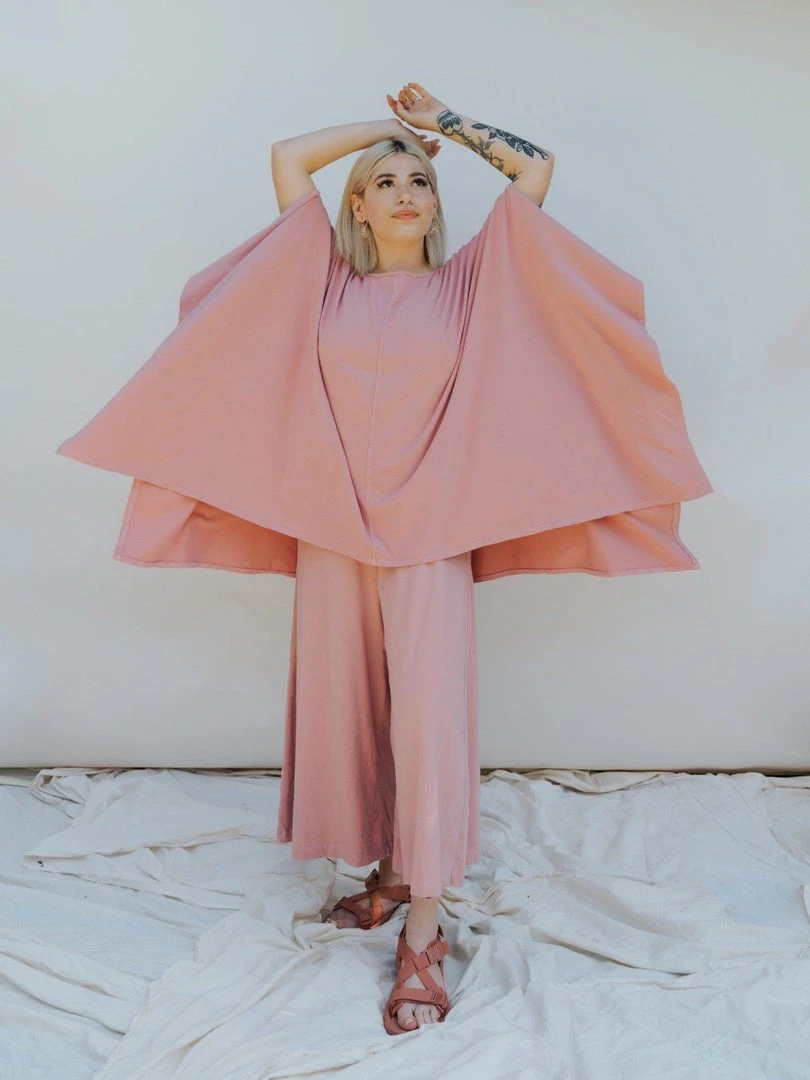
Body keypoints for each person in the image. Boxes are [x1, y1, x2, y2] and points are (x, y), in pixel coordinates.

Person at [54, 83, 713, 1036]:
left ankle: (426, 932)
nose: (408, 192)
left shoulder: (470, 282)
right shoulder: (321, 279)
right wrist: (384, 132)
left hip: (430, 535)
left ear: (436, 206)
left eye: (420, 183)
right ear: (357, 206)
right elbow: (288, 159)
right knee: (348, 715)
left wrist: (442, 126)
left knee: (429, 724)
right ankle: (391, 872)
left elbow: (534, 170)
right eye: (387, 183)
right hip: (333, 532)